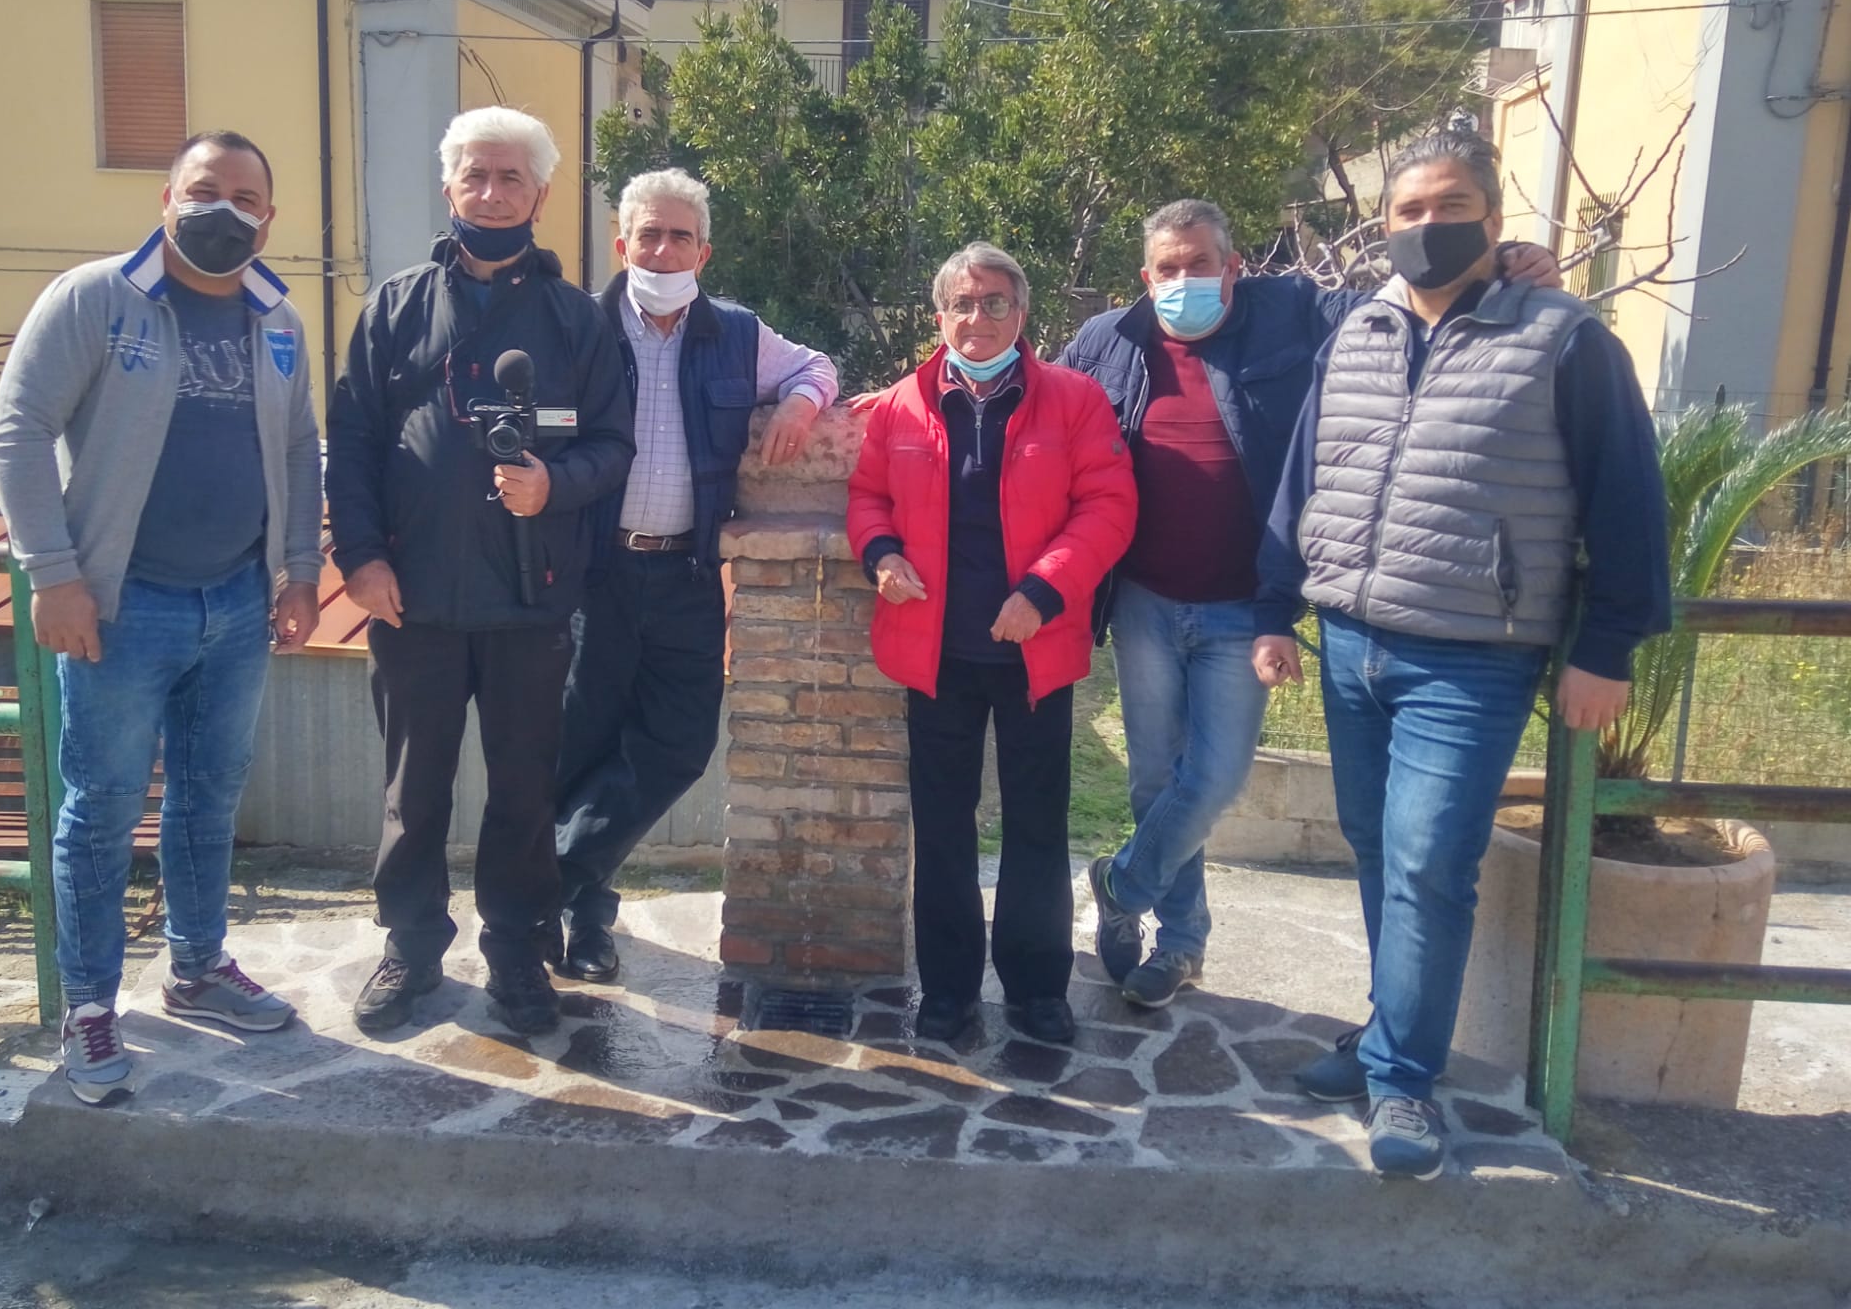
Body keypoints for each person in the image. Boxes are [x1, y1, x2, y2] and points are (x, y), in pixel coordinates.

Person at [1253, 131, 1669, 1179]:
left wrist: (1604, 645)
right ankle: (1387, 1029)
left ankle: (1400, 1083)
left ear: (1491, 218)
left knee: (1429, 860)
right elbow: (1304, 473)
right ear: (1381, 226)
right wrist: (1272, 609)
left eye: (1449, 207)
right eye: (1406, 211)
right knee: (1372, 844)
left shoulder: (1564, 340)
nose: (1425, 228)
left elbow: (1627, 499)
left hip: (1472, 656)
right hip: (1350, 637)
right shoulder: (1354, 330)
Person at [1061, 202, 1565, 1012]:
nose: (1183, 280)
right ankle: (1180, 943)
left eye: (1199, 264)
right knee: (1156, 780)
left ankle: (1121, 883)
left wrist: (1496, 263)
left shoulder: (1293, 310)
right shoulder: (1109, 340)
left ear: (1233, 267)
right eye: (1167, 267)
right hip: (1145, 600)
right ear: (1144, 275)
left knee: (1215, 779)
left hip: (1245, 606)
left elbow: (1410, 299)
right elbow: (1039, 402)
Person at [0, 130, 324, 1105]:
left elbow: (300, 454)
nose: (223, 210)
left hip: (236, 602)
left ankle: (196, 965)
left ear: (270, 217)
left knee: (209, 798)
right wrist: (53, 573)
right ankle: (91, 1006)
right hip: (120, 608)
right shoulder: (97, 298)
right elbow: (16, 431)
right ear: (167, 197)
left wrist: (298, 572)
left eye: (244, 197)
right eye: (204, 190)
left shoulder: (277, 322)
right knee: (100, 814)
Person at [326, 107, 635, 1037]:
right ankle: (412, 950)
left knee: (523, 792)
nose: (491, 192)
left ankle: (516, 954)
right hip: (411, 600)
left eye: (510, 179)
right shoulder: (393, 308)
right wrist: (361, 556)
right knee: (412, 793)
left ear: (540, 195)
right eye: (475, 176)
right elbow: (353, 440)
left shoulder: (576, 319)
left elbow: (616, 446)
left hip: (529, 603)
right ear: (449, 186)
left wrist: (556, 484)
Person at [550, 169, 838, 981]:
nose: (663, 248)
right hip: (592, 575)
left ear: (703, 251)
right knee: (579, 746)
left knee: (677, 746)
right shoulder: (578, 326)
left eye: (680, 235)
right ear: (621, 243)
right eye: (649, 233)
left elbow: (817, 366)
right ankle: (582, 920)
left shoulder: (739, 336)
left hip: (684, 576)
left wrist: (798, 404)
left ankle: (547, 876)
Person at [847, 243, 1136, 1046]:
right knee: (942, 832)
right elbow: (868, 496)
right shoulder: (903, 405)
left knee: (1037, 830)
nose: (980, 319)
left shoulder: (1074, 401)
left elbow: (1108, 507)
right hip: (933, 653)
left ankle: (1038, 990)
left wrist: (1043, 592)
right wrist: (881, 555)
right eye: (963, 305)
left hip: (1034, 653)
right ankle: (947, 992)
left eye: (996, 303)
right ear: (941, 317)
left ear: (1023, 312)